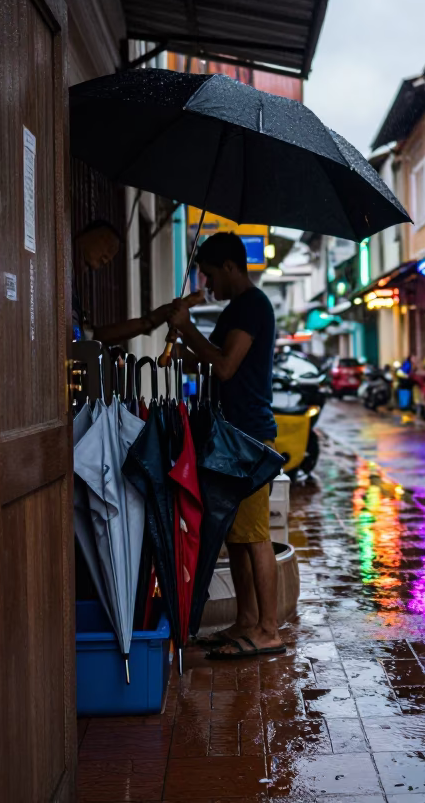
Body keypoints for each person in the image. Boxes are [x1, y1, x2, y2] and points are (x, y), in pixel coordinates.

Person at [163, 232, 285, 659]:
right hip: (230, 434)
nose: (208, 284)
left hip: (247, 437)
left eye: (211, 274)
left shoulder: (253, 306)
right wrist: (181, 345)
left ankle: (269, 629)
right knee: (237, 536)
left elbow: (226, 366)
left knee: (254, 537)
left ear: (231, 267)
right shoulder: (236, 309)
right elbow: (211, 360)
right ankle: (246, 621)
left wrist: (189, 329)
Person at [72, 220, 172, 344]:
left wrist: (148, 322)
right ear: (89, 235)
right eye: (108, 247)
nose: (106, 260)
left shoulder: (73, 288)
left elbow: (92, 336)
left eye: (110, 257)